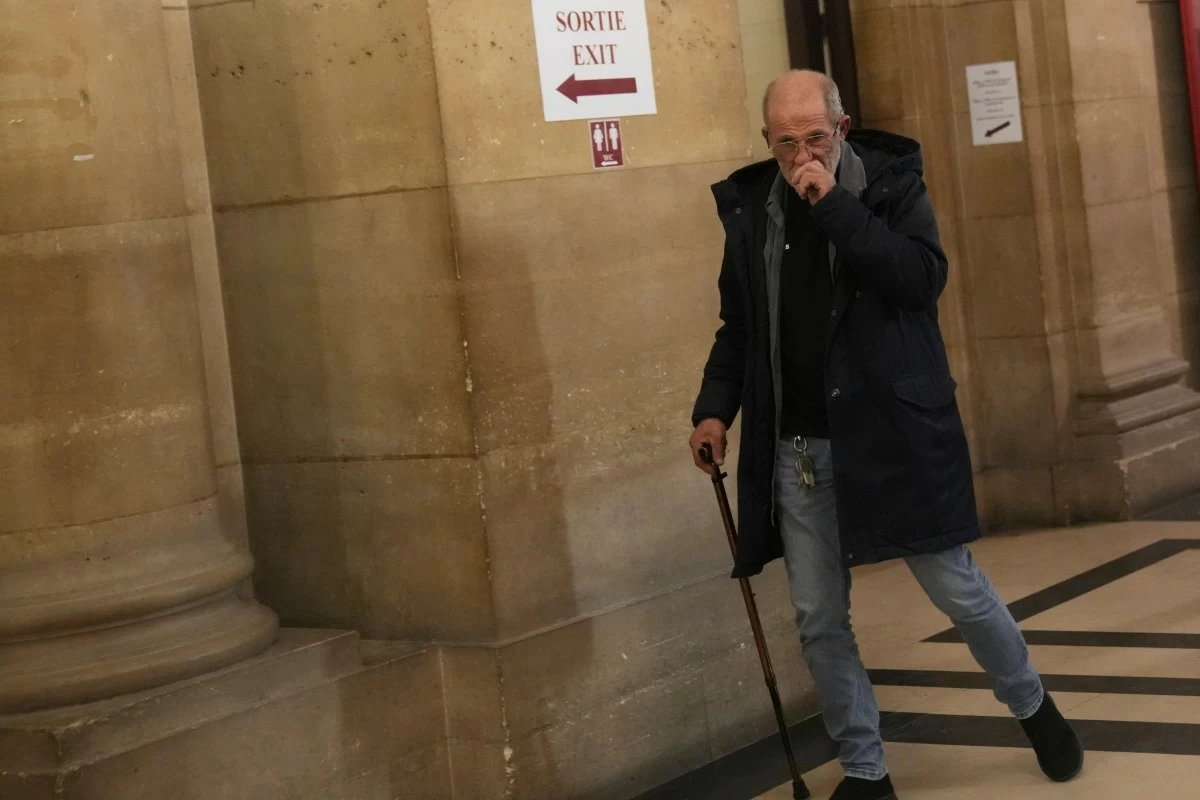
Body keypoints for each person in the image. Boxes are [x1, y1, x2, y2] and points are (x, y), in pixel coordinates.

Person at [688, 70, 1084, 800]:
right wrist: (713, 409)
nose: (801, 154)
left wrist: (833, 205)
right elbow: (739, 329)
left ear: (840, 129)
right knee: (817, 619)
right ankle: (866, 770)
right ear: (765, 141)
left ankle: (1032, 703)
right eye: (785, 143)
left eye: (814, 138)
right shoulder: (752, 209)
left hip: (892, 434)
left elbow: (917, 279)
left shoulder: (893, 185)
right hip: (799, 451)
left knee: (957, 589)